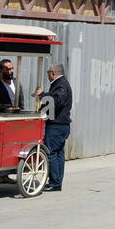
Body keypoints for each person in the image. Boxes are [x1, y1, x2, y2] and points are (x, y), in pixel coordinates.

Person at [36, 63, 72, 192]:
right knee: (58, 153)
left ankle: (55, 182)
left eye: (48, 73)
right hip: (61, 125)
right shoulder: (60, 83)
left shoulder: (61, 84)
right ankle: (56, 182)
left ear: (52, 73)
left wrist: (42, 94)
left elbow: (56, 102)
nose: (47, 76)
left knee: (51, 153)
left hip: (57, 125)